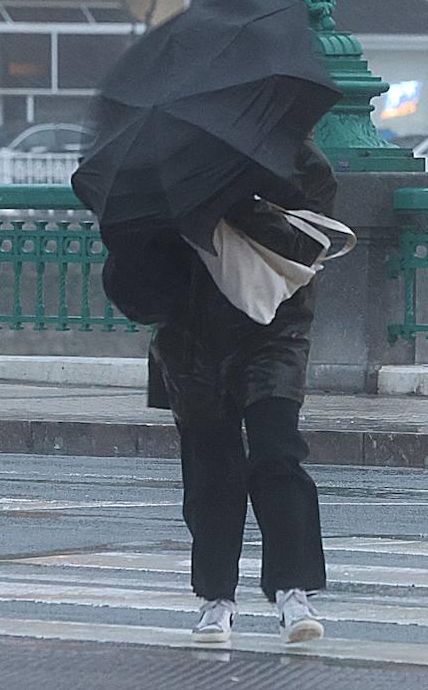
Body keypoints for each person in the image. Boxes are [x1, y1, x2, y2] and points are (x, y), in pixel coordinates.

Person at [139, 139, 336, 645]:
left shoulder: (304, 166)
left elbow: (305, 247)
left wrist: (231, 200)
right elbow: (142, 269)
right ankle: (216, 600)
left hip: (274, 330)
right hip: (192, 339)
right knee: (212, 472)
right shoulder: (170, 165)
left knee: (278, 456)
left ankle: (293, 592)